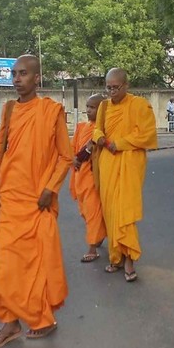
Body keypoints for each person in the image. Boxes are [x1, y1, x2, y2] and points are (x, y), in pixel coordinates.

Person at [0, 55, 72, 348]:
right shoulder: (9, 111)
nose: (17, 78)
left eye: (23, 74)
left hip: (38, 201)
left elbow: (65, 156)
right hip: (10, 200)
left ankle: (42, 319)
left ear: (37, 78)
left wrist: (50, 188)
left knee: (35, 264)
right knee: (8, 265)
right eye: (14, 74)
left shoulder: (51, 110)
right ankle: (10, 323)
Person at [94, 68, 158, 282]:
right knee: (111, 211)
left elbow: (147, 134)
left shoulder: (139, 105)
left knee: (126, 212)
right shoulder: (103, 106)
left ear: (126, 85)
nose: (111, 91)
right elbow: (96, 129)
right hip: (107, 163)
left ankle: (129, 258)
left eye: (116, 87)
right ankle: (115, 257)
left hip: (129, 162)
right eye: (108, 87)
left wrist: (119, 144)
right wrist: (101, 137)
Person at [70, 94, 106, 263]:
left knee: (92, 212)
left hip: (93, 176)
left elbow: (97, 149)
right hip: (79, 176)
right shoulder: (81, 127)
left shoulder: (102, 129)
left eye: (93, 107)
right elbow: (72, 148)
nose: (88, 110)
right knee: (84, 212)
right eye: (88, 106)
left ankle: (92, 248)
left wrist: (85, 153)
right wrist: (74, 158)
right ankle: (98, 235)